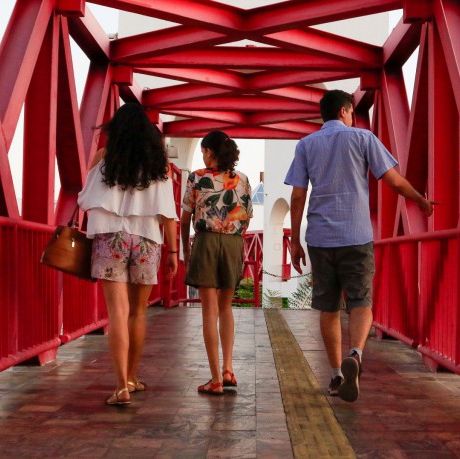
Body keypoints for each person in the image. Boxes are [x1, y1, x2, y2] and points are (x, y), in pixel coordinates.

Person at [284, 89, 437, 403]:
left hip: (320, 238)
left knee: (328, 309)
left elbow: (298, 196)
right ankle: (355, 353)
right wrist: (420, 200)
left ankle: (337, 375)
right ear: (344, 110)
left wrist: (294, 240)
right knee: (360, 302)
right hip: (357, 234)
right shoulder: (363, 139)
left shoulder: (306, 145)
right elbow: (393, 181)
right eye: (352, 112)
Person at [78, 102, 178, 406]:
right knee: (138, 312)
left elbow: (84, 200)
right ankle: (132, 377)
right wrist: (173, 251)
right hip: (147, 239)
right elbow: (168, 213)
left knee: (118, 313)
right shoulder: (158, 164)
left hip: (110, 236)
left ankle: (120, 386)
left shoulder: (104, 159)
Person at [181, 130, 253, 395]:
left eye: (203, 150)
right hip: (233, 243)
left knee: (208, 311)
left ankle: (215, 380)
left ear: (209, 152)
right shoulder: (243, 180)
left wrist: (185, 249)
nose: (202, 155)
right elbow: (246, 219)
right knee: (226, 308)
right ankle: (228, 368)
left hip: (207, 242)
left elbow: (186, 216)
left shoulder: (197, 177)